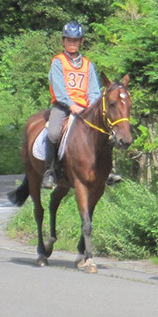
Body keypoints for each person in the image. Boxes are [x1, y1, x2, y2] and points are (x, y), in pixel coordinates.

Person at [43, 21, 103, 190]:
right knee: (53, 133)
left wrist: (92, 108)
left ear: (81, 42)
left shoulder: (88, 65)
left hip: (85, 110)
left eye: (75, 40)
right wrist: (71, 105)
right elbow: (59, 88)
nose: (72, 43)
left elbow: (94, 91)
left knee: (103, 133)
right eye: (68, 39)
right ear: (63, 41)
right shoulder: (58, 62)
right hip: (62, 107)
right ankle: (50, 171)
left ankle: (106, 170)